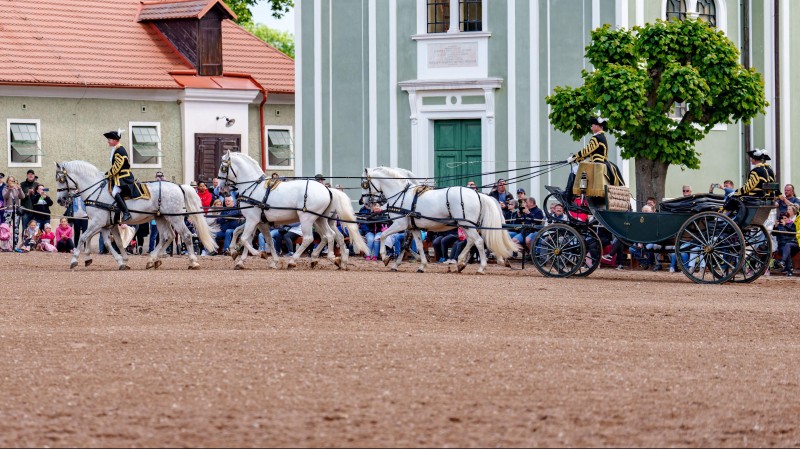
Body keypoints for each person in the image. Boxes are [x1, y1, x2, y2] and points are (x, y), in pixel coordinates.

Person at [565, 117, 625, 198]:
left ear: (598, 126)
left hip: (597, 162)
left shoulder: (596, 138)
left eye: (593, 125)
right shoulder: (602, 136)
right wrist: (578, 159)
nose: (591, 127)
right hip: (601, 161)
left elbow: (587, 150)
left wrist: (574, 157)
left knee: (574, 170)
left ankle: (568, 194)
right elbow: (591, 152)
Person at [103, 130, 134, 222]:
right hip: (119, 176)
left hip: (123, 177)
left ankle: (126, 213)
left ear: (115, 140)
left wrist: (108, 174)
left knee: (114, 192)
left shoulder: (119, 150)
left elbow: (117, 167)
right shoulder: (117, 149)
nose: (108, 141)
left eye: (109, 139)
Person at [774, 207, 798, 277]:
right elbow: (774, 234)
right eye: (782, 218)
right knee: (786, 250)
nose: (783, 220)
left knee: (788, 246)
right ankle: (789, 270)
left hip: (793, 245)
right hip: (782, 247)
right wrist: (775, 226)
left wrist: (786, 225)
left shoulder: (792, 224)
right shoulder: (778, 226)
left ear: (788, 218)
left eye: (785, 218)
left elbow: (794, 233)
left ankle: (783, 262)